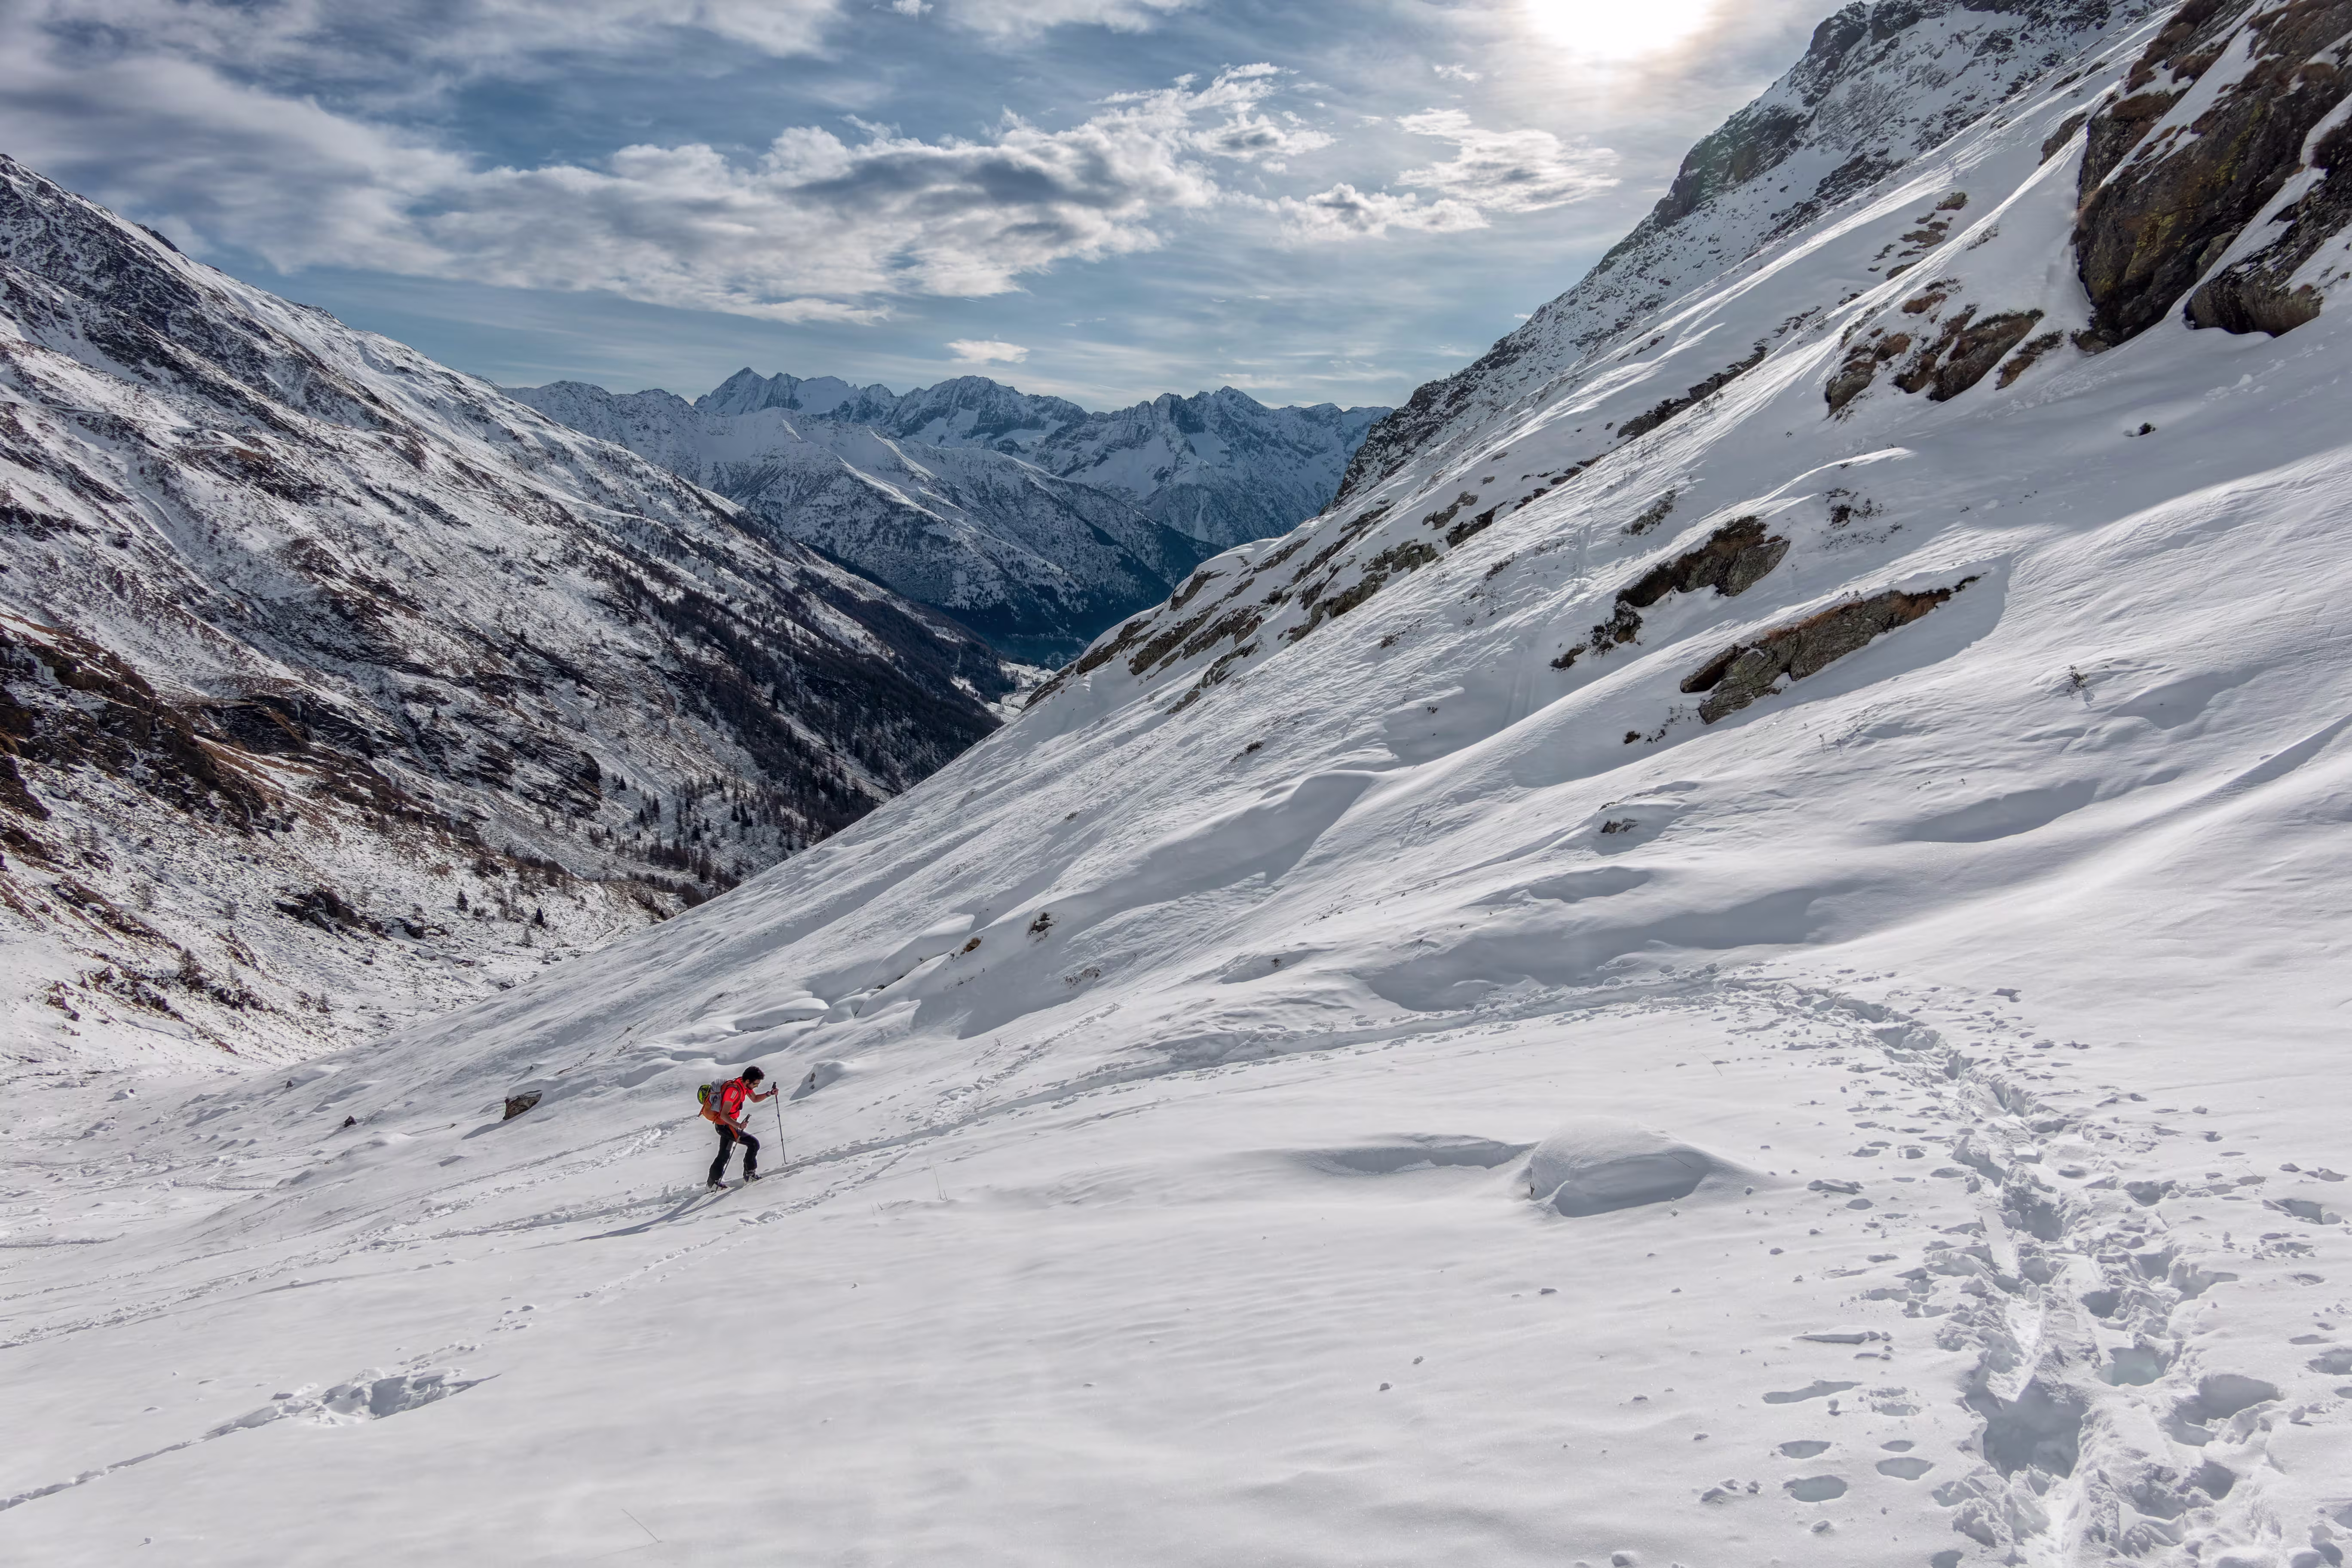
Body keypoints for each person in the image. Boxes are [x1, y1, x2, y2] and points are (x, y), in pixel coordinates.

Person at [704, 1066, 777, 1189]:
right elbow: (724, 1115)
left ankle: (712, 1184)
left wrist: (769, 1094)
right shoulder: (734, 1091)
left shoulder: (742, 1085)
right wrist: (739, 1125)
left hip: (727, 1125)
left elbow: (754, 1099)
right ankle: (750, 1175)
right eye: (755, 1084)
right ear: (748, 1081)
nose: (756, 1087)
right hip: (726, 1126)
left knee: (724, 1155)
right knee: (754, 1144)